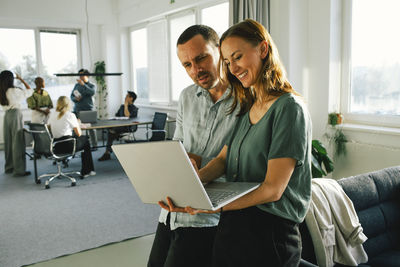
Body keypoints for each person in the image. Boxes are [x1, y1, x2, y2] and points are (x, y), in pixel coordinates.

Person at [160, 19, 312, 267]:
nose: (232, 68)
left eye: (237, 57)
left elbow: (273, 189)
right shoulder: (252, 104)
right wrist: (187, 187)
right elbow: (223, 159)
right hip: (236, 226)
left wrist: (213, 206)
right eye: (228, 61)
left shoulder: (289, 108)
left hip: (270, 232)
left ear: (263, 50)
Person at [147, 25, 239, 267]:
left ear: (220, 51)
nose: (196, 69)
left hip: (207, 218)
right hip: (170, 212)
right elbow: (177, 144)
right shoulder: (187, 96)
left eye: (201, 58)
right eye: (187, 65)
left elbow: (242, 161)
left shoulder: (246, 99)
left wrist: (202, 163)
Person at [48, 96, 95, 178]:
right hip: (68, 146)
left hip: (56, 146)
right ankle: (87, 171)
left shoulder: (52, 115)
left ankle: (87, 170)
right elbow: (79, 134)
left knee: (79, 139)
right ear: (68, 104)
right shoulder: (69, 115)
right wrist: (78, 124)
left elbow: (49, 129)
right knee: (85, 139)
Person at [0, 70, 32, 176]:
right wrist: (21, 79)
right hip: (15, 114)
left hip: (6, 115)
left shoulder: (1, 91)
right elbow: (30, 90)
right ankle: (19, 170)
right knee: (18, 141)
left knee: (8, 142)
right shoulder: (14, 90)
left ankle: (9, 167)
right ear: (11, 79)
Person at [98, 91, 139, 161]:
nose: (125, 98)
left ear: (131, 98)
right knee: (111, 130)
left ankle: (107, 152)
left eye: (127, 96)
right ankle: (108, 151)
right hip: (119, 126)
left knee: (111, 132)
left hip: (128, 127)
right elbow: (117, 115)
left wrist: (126, 106)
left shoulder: (134, 108)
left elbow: (127, 116)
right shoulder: (122, 106)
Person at [70, 68, 97, 147]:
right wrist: (75, 99)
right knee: (75, 127)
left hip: (88, 110)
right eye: (80, 75)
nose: (80, 77)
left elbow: (92, 92)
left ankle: (94, 145)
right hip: (78, 109)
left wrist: (83, 85)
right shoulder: (76, 85)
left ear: (87, 75)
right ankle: (76, 145)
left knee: (91, 128)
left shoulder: (92, 85)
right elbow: (71, 96)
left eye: (82, 75)